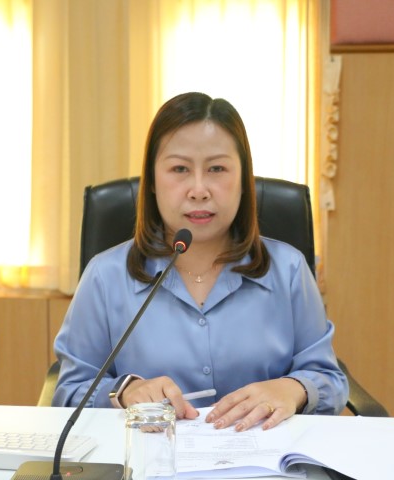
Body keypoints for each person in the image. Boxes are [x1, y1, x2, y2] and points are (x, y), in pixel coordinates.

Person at [52, 92, 349, 431]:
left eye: (217, 169)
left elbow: (330, 380)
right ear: (152, 181)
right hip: (149, 455)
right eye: (179, 169)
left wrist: (293, 389)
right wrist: (123, 391)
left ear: (243, 181)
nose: (198, 190)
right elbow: (68, 393)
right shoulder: (105, 277)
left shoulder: (289, 270)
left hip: (264, 456)